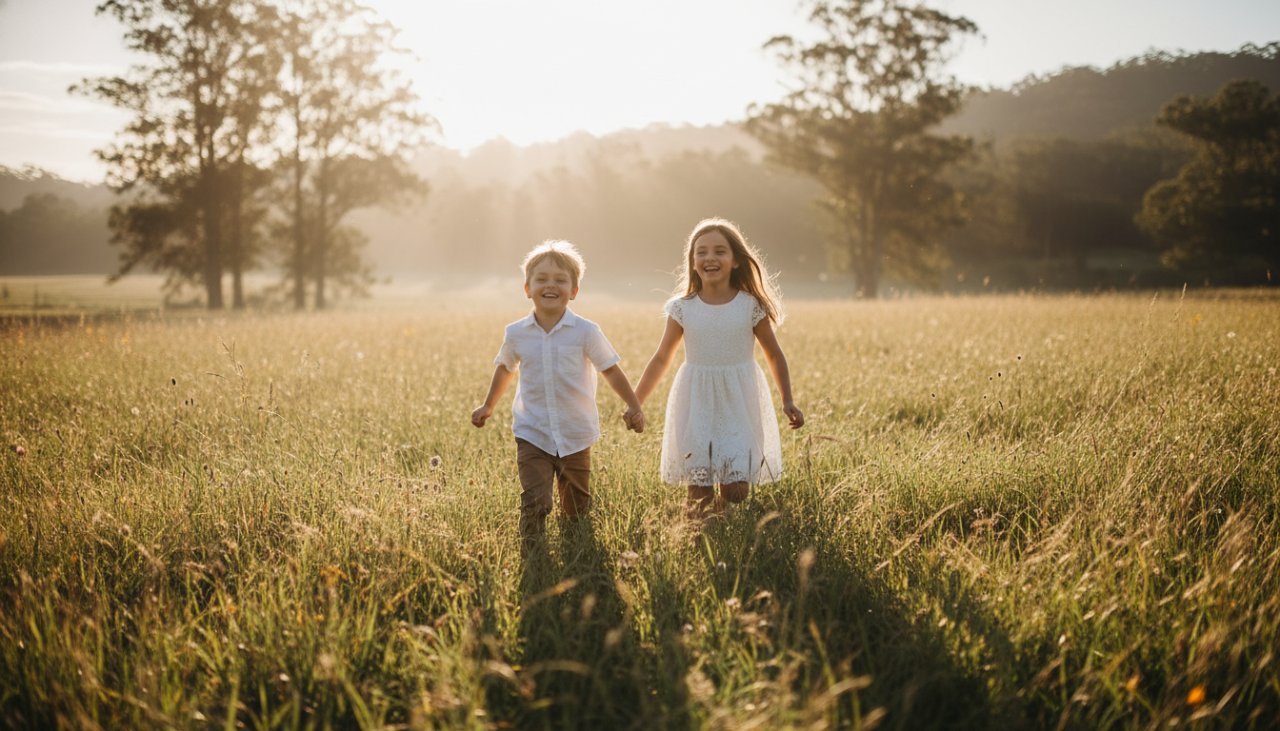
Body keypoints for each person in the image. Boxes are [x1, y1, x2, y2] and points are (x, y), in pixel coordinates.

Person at [471, 240, 645, 548]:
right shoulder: (516, 333)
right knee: (536, 500)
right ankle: (532, 552)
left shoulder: (586, 331)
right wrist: (488, 405)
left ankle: (576, 549)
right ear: (527, 288)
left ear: (574, 290)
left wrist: (634, 405)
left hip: (575, 433)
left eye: (560, 280)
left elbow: (611, 370)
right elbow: (505, 368)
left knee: (576, 507)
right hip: (532, 431)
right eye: (541, 279)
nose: (550, 285)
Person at [634, 218, 804, 518]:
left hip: (739, 399)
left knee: (736, 489)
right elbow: (662, 358)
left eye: (719, 251)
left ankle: (723, 514)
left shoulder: (750, 305)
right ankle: (697, 535)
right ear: (692, 261)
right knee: (699, 485)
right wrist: (636, 401)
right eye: (701, 252)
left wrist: (787, 399)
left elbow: (774, 355)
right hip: (696, 398)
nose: (709, 258)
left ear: (736, 260)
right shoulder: (682, 307)